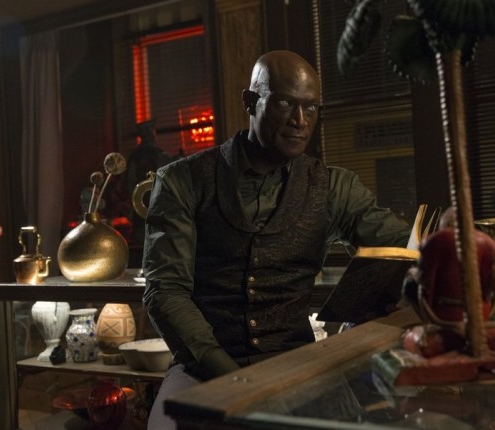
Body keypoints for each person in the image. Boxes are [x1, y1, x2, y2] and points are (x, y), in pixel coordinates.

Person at [142, 50, 410, 429]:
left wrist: (444, 242)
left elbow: (403, 248)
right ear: (250, 102)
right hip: (203, 368)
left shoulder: (333, 187)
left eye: (311, 107)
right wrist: (232, 379)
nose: (300, 120)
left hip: (299, 365)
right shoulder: (181, 181)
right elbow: (165, 292)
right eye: (285, 103)